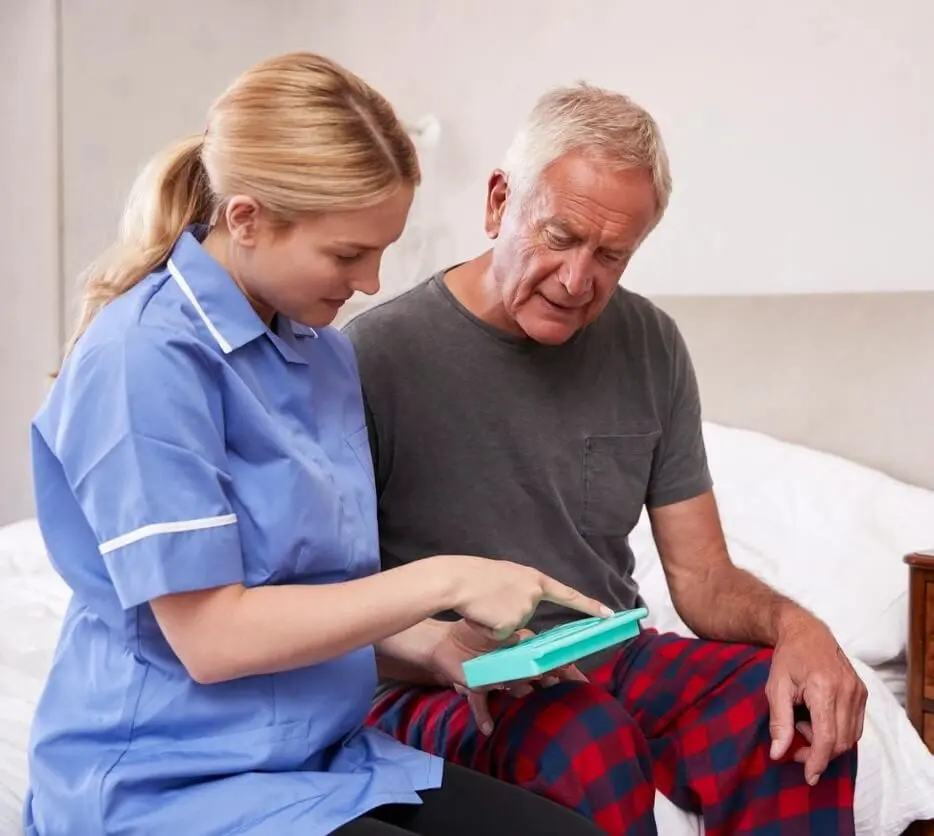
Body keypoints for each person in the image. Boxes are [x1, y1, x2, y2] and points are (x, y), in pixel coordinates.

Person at [23, 53, 612, 836]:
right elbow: (211, 639)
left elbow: (300, 587)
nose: (371, 282)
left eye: (381, 251)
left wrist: (435, 643)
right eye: (346, 255)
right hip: (166, 785)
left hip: (317, 761)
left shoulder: (322, 353)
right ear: (247, 219)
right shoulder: (145, 360)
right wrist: (452, 578)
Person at [343, 82, 869, 836]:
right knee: (584, 736)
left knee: (791, 708)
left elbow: (702, 578)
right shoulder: (372, 357)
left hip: (605, 653)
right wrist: (439, 652)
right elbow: (330, 599)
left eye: (611, 255)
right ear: (499, 203)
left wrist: (796, 627)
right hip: (442, 678)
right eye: (560, 236)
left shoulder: (651, 345)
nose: (577, 279)